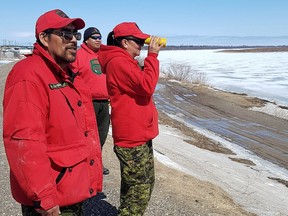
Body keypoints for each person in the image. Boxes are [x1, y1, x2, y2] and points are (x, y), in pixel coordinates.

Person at [2, 9, 103, 216]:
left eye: (76, 34)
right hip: (51, 198)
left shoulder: (67, 73)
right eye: (66, 34)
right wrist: (45, 198)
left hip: (69, 190)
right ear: (44, 38)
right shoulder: (29, 75)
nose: (73, 40)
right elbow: (24, 142)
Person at [98, 22, 164, 215]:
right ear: (125, 42)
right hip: (131, 139)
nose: (141, 46)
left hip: (139, 134)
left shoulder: (125, 62)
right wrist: (152, 57)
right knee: (138, 191)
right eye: (138, 42)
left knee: (138, 186)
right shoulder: (119, 62)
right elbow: (146, 86)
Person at [72, 27, 110, 175]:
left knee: (101, 135)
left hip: (104, 103)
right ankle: (84, 165)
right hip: (87, 103)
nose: (98, 39)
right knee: (87, 136)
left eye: (100, 37)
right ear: (86, 40)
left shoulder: (103, 55)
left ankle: (96, 164)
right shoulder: (78, 55)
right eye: (94, 37)